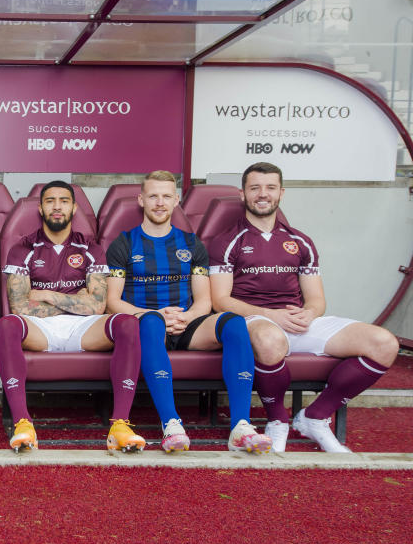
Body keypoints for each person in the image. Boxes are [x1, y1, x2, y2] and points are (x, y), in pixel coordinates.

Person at [209, 162, 399, 452]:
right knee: (269, 340)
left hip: (296, 319)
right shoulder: (226, 241)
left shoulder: (300, 242)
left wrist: (309, 313)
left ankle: (315, 417)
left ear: (281, 193)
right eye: (255, 188)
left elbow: (317, 300)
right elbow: (220, 301)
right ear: (242, 194)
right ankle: (277, 420)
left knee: (384, 343)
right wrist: (272, 315)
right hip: (254, 321)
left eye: (270, 187)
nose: (263, 194)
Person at [105, 170, 272, 454]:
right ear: (141, 200)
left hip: (187, 324)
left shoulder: (192, 243)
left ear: (176, 200)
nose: (160, 202)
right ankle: (171, 424)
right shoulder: (123, 243)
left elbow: (205, 301)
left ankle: (241, 426)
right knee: (152, 323)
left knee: (233, 323)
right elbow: (112, 302)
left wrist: (186, 317)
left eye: (166, 196)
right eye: (153, 196)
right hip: (146, 325)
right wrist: (152, 314)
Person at [0, 181, 143, 453]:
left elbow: (98, 306)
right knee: (7, 325)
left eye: (63, 201)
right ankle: (22, 423)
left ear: (74, 208)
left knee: (127, 322)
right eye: (50, 201)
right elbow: (20, 307)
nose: (56, 206)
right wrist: (79, 299)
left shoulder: (91, 248)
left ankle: (120, 425)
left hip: (84, 328)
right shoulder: (22, 248)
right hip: (40, 329)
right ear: (40, 208)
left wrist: (48, 295)